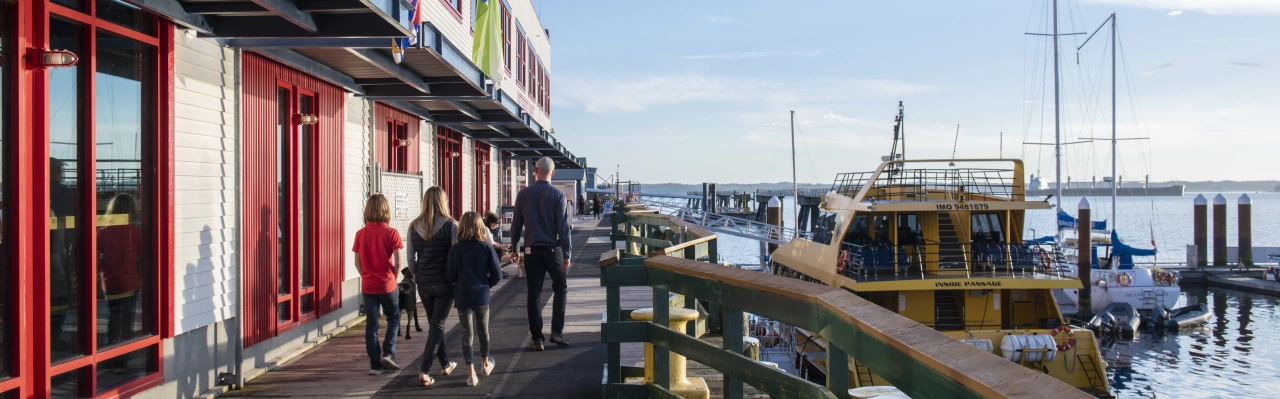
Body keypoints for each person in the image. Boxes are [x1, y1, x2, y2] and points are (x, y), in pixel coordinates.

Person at [509, 157, 573, 351]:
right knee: (560, 288)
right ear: (553, 173)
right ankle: (556, 332)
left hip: (531, 251)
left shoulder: (523, 194)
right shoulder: (558, 195)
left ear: (535, 170)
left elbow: (516, 225)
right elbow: (563, 228)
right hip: (553, 249)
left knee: (534, 295)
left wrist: (514, 248)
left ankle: (537, 339)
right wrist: (567, 253)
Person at [445, 212, 504, 387]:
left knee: (466, 334)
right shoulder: (486, 248)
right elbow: (497, 274)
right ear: (480, 227)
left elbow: (449, 275)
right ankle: (485, 364)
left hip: (463, 295)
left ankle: (471, 374)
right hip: (481, 294)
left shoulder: (455, 249)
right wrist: (486, 285)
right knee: (483, 331)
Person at [409, 187, 459, 385]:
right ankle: (424, 370)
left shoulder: (413, 226)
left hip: (423, 282)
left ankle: (446, 363)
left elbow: (411, 261)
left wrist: (418, 274)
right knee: (437, 326)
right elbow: (455, 256)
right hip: (444, 282)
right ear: (443, 202)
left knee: (435, 326)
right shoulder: (452, 225)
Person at [352, 194, 404, 375]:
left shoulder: (360, 234)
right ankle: (389, 353)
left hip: (368, 285)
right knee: (393, 319)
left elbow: (357, 263)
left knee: (371, 324)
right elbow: (398, 261)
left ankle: (375, 364)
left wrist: (365, 275)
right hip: (388, 284)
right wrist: (395, 278)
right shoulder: (391, 232)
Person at [483, 212, 512, 278]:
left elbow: (493, 242)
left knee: (500, 246)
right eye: (496, 224)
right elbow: (492, 244)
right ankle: (497, 270)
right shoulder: (486, 229)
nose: (496, 226)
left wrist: (503, 246)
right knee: (498, 251)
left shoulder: (489, 229)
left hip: (486, 248)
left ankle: (498, 269)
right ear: (491, 222)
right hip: (485, 249)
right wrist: (501, 248)